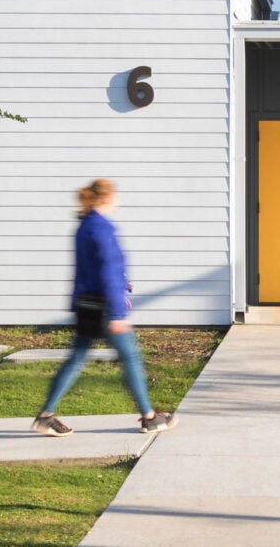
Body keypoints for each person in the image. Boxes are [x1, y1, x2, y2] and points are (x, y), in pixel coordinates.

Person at [33, 179, 177, 436]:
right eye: (115, 196)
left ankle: (45, 417)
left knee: (76, 359)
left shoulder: (84, 226)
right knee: (130, 358)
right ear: (106, 198)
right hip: (105, 308)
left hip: (85, 304)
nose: (117, 200)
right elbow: (108, 272)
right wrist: (118, 313)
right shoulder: (102, 228)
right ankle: (150, 417)